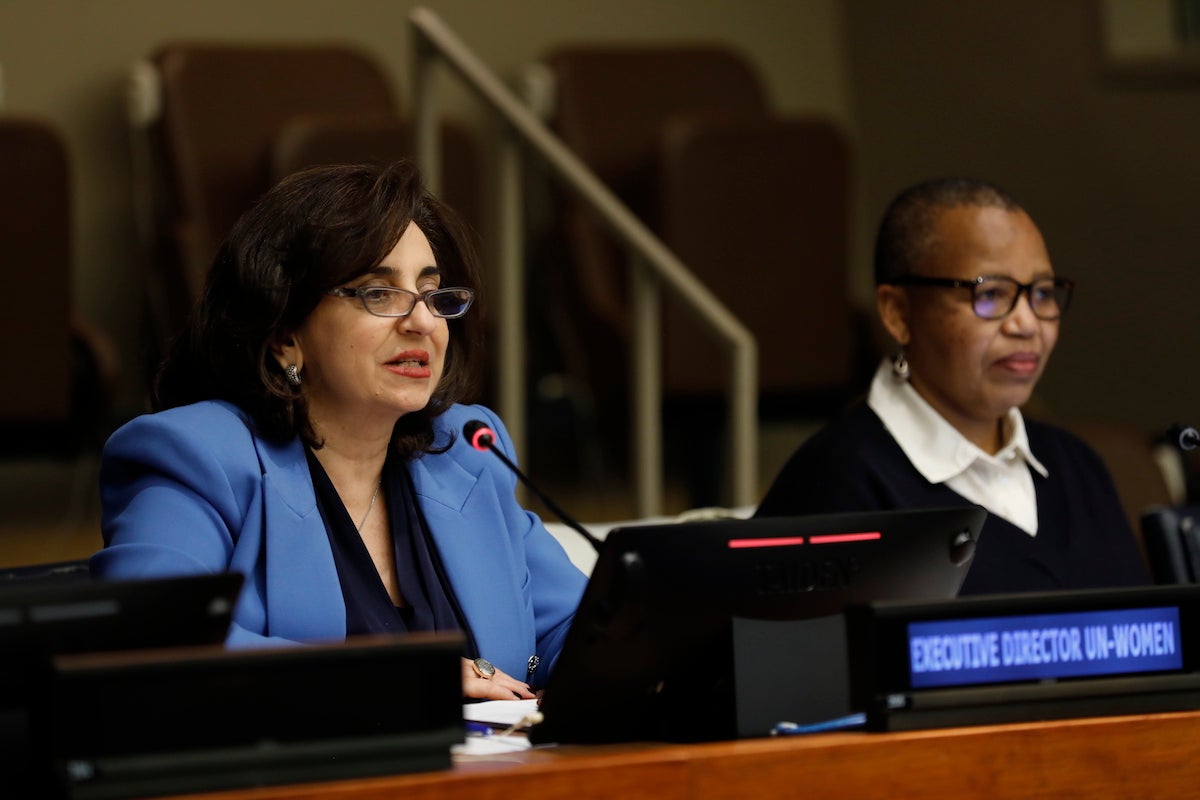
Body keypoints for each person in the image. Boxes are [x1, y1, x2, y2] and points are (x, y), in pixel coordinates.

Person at [91, 160, 588, 699]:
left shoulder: (464, 452)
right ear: (285, 334)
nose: (421, 322)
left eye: (433, 295)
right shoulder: (198, 458)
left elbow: (572, 631)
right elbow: (150, 639)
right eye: (379, 293)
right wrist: (411, 677)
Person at [756, 177, 1149, 594]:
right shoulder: (840, 480)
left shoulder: (1076, 464)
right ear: (898, 313)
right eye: (992, 294)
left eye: (1042, 293)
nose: (1027, 324)